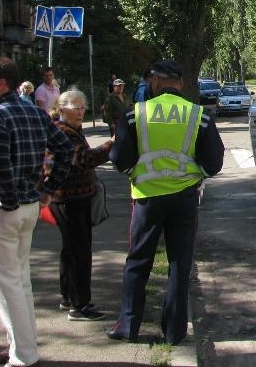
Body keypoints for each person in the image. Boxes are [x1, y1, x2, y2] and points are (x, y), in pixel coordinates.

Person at [106, 59, 224, 345]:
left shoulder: (136, 114)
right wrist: (195, 177)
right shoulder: (199, 115)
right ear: (181, 83)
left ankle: (128, 326)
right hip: (184, 199)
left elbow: (118, 157)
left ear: (155, 82)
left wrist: (135, 173)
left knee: (137, 263)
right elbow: (214, 162)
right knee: (179, 264)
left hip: (146, 200)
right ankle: (174, 331)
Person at [0, 57, 73, 367]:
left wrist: (7, 200)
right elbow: (65, 149)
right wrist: (48, 189)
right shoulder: (34, 111)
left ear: (1, 82)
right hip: (28, 206)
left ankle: (22, 355)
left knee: (5, 284)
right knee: (17, 280)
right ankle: (22, 346)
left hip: (1, 210)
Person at [48, 89, 113, 322]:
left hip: (74, 198)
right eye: (75, 107)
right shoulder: (62, 131)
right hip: (69, 199)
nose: (80, 111)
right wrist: (111, 144)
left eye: (82, 107)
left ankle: (68, 297)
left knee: (70, 250)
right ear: (61, 108)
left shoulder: (72, 130)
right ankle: (80, 305)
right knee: (79, 252)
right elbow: (83, 159)